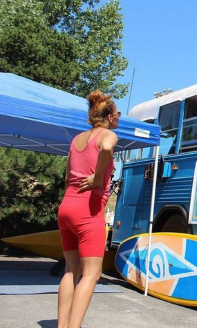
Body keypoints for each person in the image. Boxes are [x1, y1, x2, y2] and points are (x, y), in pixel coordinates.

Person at [57, 91, 120, 328]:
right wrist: (97, 177)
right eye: (118, 114)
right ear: (110, 116)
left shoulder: (77, 140)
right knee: (92, 274)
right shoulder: (108, 134)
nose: (118, 118)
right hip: (88, 209)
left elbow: (66, 177)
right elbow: (106, 148)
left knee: (71, 270)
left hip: (67, 205)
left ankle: (62, 325)